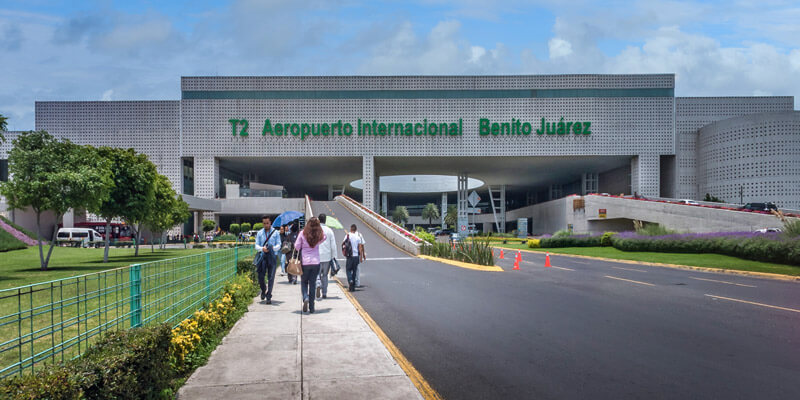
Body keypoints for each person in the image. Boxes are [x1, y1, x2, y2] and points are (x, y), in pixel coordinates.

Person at [294, 217, 325, 313]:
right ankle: (312, 307)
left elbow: (297, 246)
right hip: (316, 262)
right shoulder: (318, 235)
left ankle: (305, 297)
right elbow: (324, 237)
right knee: (312, 284)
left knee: (304, 282)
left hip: (305, 263)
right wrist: (319, 228)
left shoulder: (302, 233)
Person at [254, 215, 281, 304]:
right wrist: (262, 249)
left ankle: (269, 295)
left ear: (270, 223)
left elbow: (279, 244)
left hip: (272, 256)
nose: (266, 225)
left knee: (271, 277)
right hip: (262, 256)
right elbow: (256, 245)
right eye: (264, 223)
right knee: (261, 276)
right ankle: (263, 289)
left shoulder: (275, 232)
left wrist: (273, 248)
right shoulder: (260, 233)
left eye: (267, 223)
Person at [316, 213, 337, 299]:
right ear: (325, 220)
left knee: (317, 274)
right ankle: (324, 293)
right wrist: (334, 257)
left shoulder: (315, 230)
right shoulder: (329, 231)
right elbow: (333, 246)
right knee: (325, 275)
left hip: (317, 256)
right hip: (327, 257)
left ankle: (317, 284)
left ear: (318, 220)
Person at [344, 224, 366, 292]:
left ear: (350, 229)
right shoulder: (358, 237)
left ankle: (350, 280)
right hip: (356, 256)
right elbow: (360, 248)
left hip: (350, 256)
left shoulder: (347, 236)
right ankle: (352, 287)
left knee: (348, 270)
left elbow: (344, 245)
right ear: (356, 230)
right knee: (354, 271)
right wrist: (361, 257)